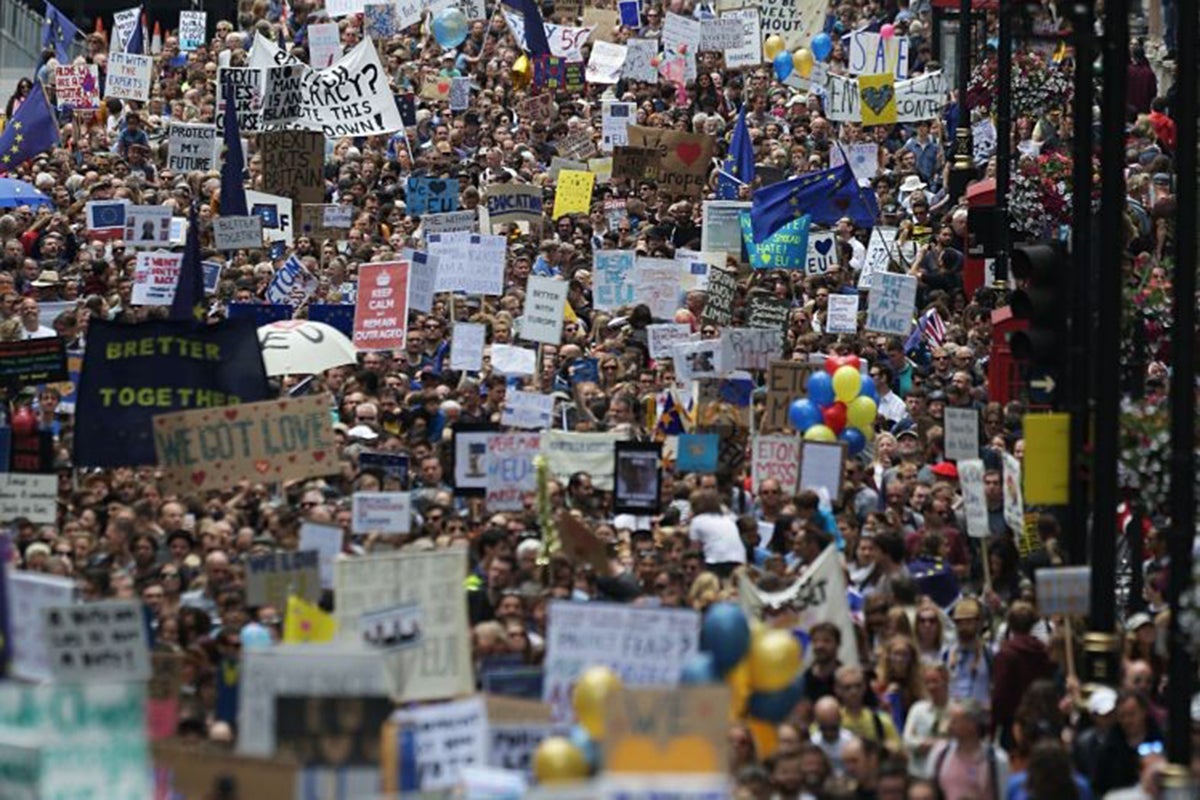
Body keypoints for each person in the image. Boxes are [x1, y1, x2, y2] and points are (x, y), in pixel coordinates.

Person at [930, 700, 1011, 800]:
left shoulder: (996, 759)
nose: (949, 725)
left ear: (971, 725)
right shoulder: (940, 753)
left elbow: (1003, 793)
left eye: (955, 721)